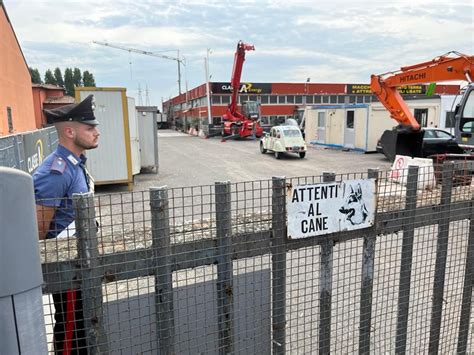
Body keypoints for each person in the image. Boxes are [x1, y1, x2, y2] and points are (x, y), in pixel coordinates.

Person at [33, 94, 100, 354]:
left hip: (79, 262)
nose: (97, 132)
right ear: (70, 131)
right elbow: (40, 230)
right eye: (90, 127)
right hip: (65, 266)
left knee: (83, 326)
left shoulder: (75, 165)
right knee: (71, 330)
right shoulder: (55, 172)